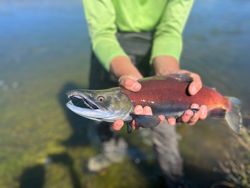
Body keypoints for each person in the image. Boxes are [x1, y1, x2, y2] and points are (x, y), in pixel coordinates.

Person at [82, 0, 208, 187]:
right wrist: (127, 74)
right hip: (110, 52)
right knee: (100, 115)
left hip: (158, 51)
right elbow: (102, 34)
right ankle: (112, 154)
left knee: (164, 126)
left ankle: (173, 176)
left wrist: (168, 76)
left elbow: (169, 30)